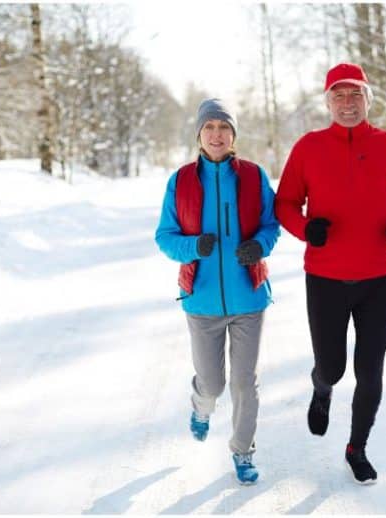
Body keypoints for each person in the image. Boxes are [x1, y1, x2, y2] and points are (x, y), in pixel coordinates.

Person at [274, 63, 386, 484]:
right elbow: (286, 204)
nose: (347, 104)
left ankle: (357, 447)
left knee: (370, 369)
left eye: (355, 96)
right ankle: (322, 387)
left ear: (368, 99)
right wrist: (305, 228)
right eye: (339, 97)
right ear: (328, 102)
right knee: (332, 366)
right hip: (325, 277)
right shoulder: (309, 147)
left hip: (379, 276)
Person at [155, 98, 280, 485]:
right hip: (202, 302)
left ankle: (243, 450)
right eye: (209, 127)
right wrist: (194, 247)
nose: (216, 134)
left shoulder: (254, 177)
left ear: (233, 135)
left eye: (224, 127)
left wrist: (258, 246)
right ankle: (201, 405)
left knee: (244, 381)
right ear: (198, 135)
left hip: (248, 299)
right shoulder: (180, 181)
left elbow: (271, 225)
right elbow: (165, 237)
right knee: (213, 382)